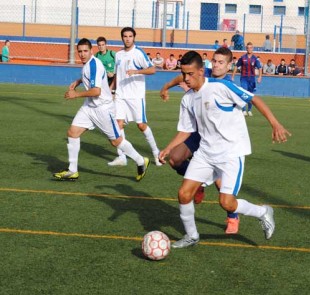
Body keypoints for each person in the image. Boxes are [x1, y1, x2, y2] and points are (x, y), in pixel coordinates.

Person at [158, 50, 291, 248]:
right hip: (205, 152)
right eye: (184, 74)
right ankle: (191, 236)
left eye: (190, 74)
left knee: (227, 202)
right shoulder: (187, 99)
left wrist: (275, 124)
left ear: (202, 71)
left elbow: (254, 99)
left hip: (230, 153)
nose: (186, 79)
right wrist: (168, 148)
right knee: (184, 194)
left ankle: (263, 212)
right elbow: (186, 130)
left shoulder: (221, 86)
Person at [160, 47, 243, 234]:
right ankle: (197, 183)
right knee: (174, 159)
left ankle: (232, 216)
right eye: (214, 61)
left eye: (221, 62)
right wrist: (166, 87)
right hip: (197, 133)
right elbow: (181, 77)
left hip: (218, 139)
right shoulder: (200, 74)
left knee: (221, 184)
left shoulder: (226, 87)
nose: (216, 65)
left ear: (229, 66)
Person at [53, 38, 149, 182]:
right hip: (89, 107)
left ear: (91, 51)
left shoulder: (94, 65)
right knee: (72, 133)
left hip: (102, 108)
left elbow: (96, 91)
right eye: (80, 51)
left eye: (85, 51)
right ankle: (72, 170)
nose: (82, 54)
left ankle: (141, 161)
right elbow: (91, 78)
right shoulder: (89, 63)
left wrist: (76, 94)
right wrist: (79, 81)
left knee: (116, 142)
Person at [108, 27, 161, 167]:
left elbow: (152, 69)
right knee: (118, 124)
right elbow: (116, 75)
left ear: (134, 38)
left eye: (130, 36)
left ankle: (156, 153)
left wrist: (136, 71)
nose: (127, 38)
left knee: (141, 125)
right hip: (120, 95)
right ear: (122, 38)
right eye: (125, 36)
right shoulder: (118, 54)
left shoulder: (138, 53)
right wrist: (110, 91)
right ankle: (122, 157)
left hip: (135, 96)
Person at [231, 42, 262, 117]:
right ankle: (244, 110)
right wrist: (233, 76)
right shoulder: (242, 58)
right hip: (244, 78)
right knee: (244, 94)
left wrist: (260, 77)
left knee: (250, 95)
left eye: (251, 47)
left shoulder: (255, 59)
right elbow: (236, 66)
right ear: (246, 48)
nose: (249, 49)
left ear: (253, 48)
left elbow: (260, 68)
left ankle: (250, 110)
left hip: (252, 78)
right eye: (248, 48)